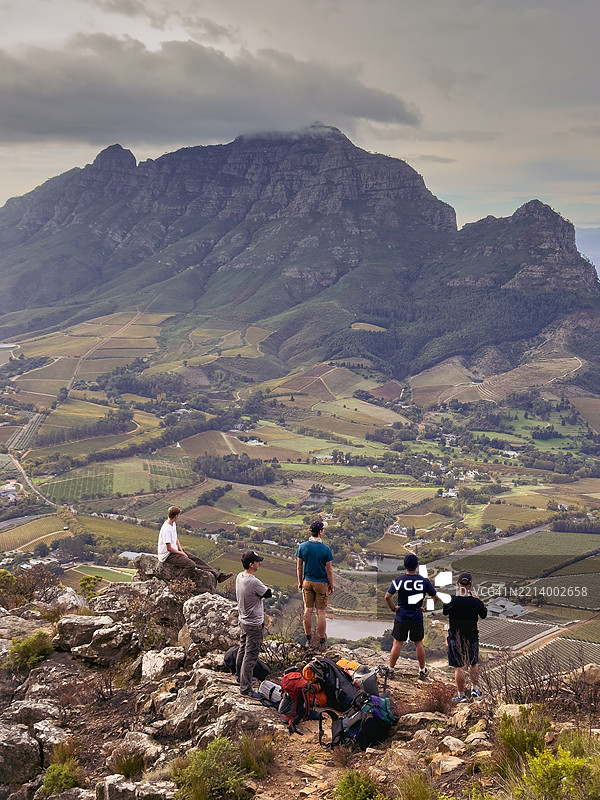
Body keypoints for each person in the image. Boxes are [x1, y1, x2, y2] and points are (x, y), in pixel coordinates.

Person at [385, 552, 440, 680]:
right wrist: (426, 608)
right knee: (418, 644)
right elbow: (435, 597)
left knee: (397, 643)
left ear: (405, 565)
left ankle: (391, 670)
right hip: (416, 615)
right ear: (417, 566)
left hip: (401, 615)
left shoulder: (399, 580)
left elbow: (387, 597)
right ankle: (421, 671)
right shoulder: (424, 581)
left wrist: (394, 608)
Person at [157, 506, 233, 583]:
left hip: (174, 551)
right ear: (176, 516)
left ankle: (218, 575)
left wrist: (181, 550)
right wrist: (181, 553)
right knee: (191, 564)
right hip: (167, 555)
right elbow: (169, 548)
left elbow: (176, 539)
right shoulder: (167, 529)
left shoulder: (172, 524)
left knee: (196, 559)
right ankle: (177, 582)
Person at [443, 571, 487, 702]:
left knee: (459, 666)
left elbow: (445, 611)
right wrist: (477, 600)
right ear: (470, 586)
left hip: (455, 638)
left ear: (458, 584)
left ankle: (461, 695)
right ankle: (475, 689)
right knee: (473, 664)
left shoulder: (451, 600)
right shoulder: (475, 602)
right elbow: (484, 614)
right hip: (472, 637)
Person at [236, 550, 272, 698]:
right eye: (257, 561)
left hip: (243, 620)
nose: (259, 563)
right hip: (254, 624)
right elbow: (267, 593)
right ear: (251, 564)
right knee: (250, 655)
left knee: (242, 649)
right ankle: (245, 688)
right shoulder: (253, 581)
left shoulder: (239, 576)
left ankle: (239, 677)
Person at [296, 519, 334, 648]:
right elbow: (329, 569)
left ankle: (308, 639)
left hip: (307, 581)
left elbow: (299, 567)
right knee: (321, 612)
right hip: (321, 583)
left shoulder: (302, 546)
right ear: (320, 532)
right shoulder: (325, 549)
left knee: (308, 610)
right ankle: (322, 641)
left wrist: (300, 582)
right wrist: (331, 585)